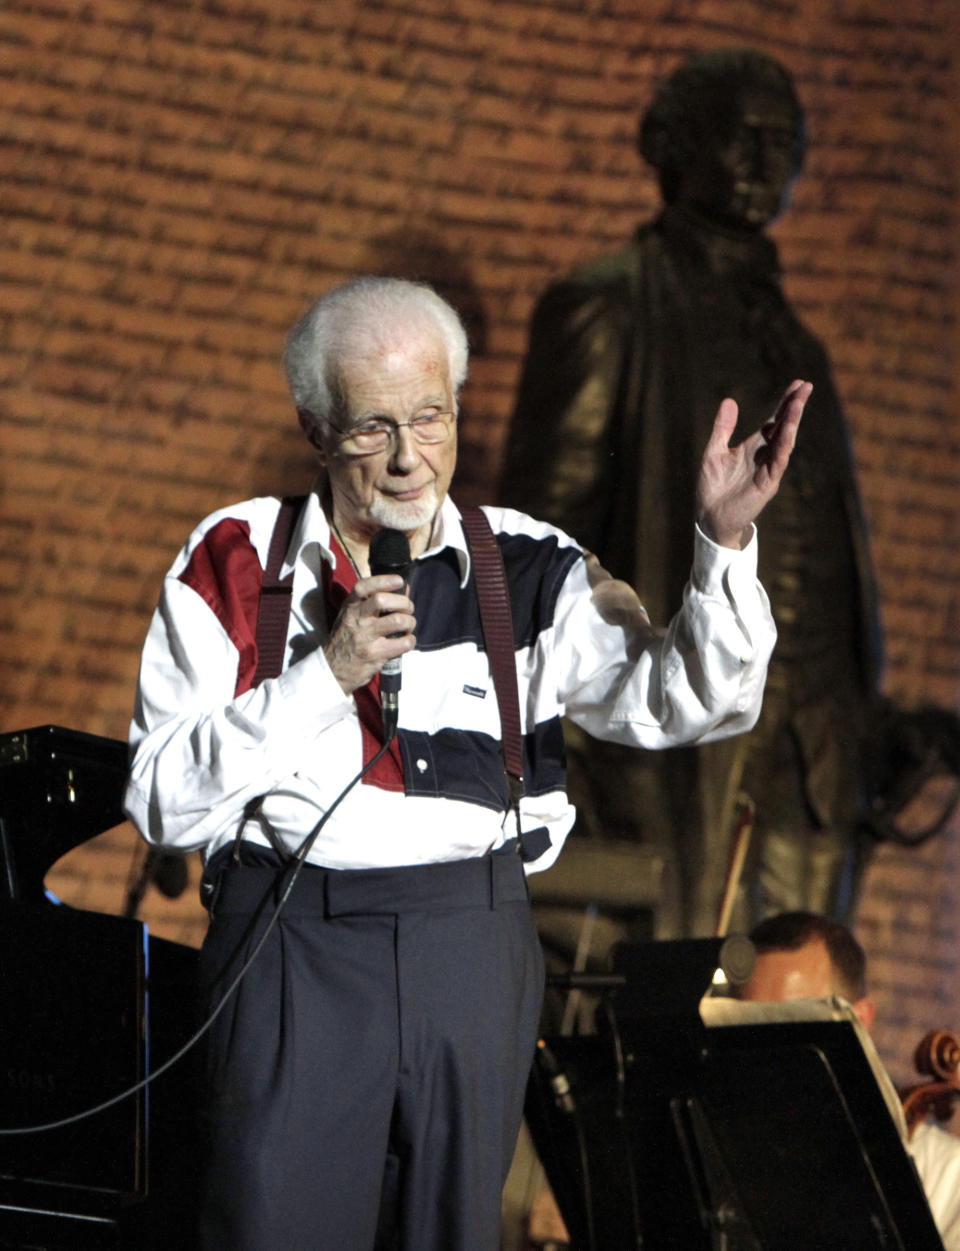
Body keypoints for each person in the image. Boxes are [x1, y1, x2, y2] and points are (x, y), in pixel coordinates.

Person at [123, 275, 808, 1251]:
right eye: (372, 428)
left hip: (471, 944)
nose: (409, 459)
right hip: (292, 950)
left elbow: (688, 701)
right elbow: (162, 804)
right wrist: (329, 673)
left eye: (431, 417)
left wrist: (723, 542)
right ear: (317, 430)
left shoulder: (529, 568)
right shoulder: (235, 560)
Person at [499, 49, 883, 937]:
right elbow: (538, 555)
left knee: (785, 1022)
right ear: (676, 143)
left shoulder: (800, 345)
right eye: (741, 135)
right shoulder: (611, 308)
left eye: (783, 143)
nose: (764, 161)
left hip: (810, 768)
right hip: (670, 756)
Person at [740, 910, 960, 1250]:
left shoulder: (948, 1177)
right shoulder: (727, 1158)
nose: (769, 1053)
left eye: (791, 1024)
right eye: (747, 1029)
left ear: (858, 1022)